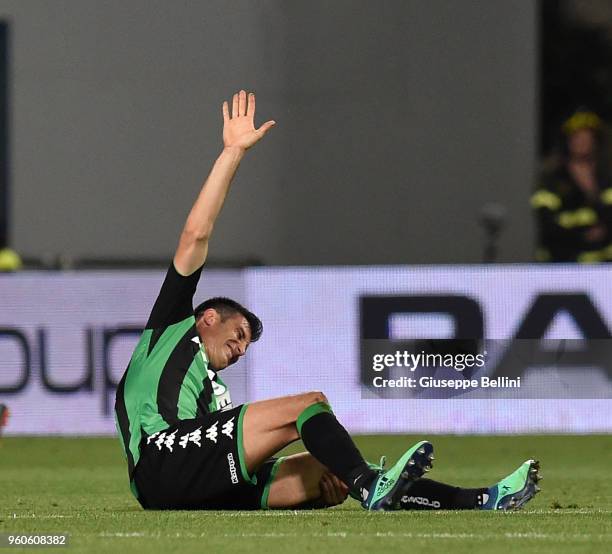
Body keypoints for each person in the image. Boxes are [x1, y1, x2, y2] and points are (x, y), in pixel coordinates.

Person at [115, 90, 542, 511]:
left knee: (330, 472)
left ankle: (480, 499)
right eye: (240, 333)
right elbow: (196, 234)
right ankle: (369, 485)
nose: (241, 348)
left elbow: (231, 466)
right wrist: (232, 154)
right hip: (159, 461)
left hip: (181, 483)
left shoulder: (212, 396)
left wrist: (320, 490)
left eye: (246, 346)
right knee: (309, 405)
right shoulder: (170, 327)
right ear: (209, 317)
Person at [532, 109, 612, 262]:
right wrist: (580, 235)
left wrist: (603, 230)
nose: (581, 143)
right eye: (576, 138)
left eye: (586, 138)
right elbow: (546, 220)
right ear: (567, 141)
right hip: (563, 262)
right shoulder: (553, 177)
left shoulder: (606, 175)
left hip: (604, 265)